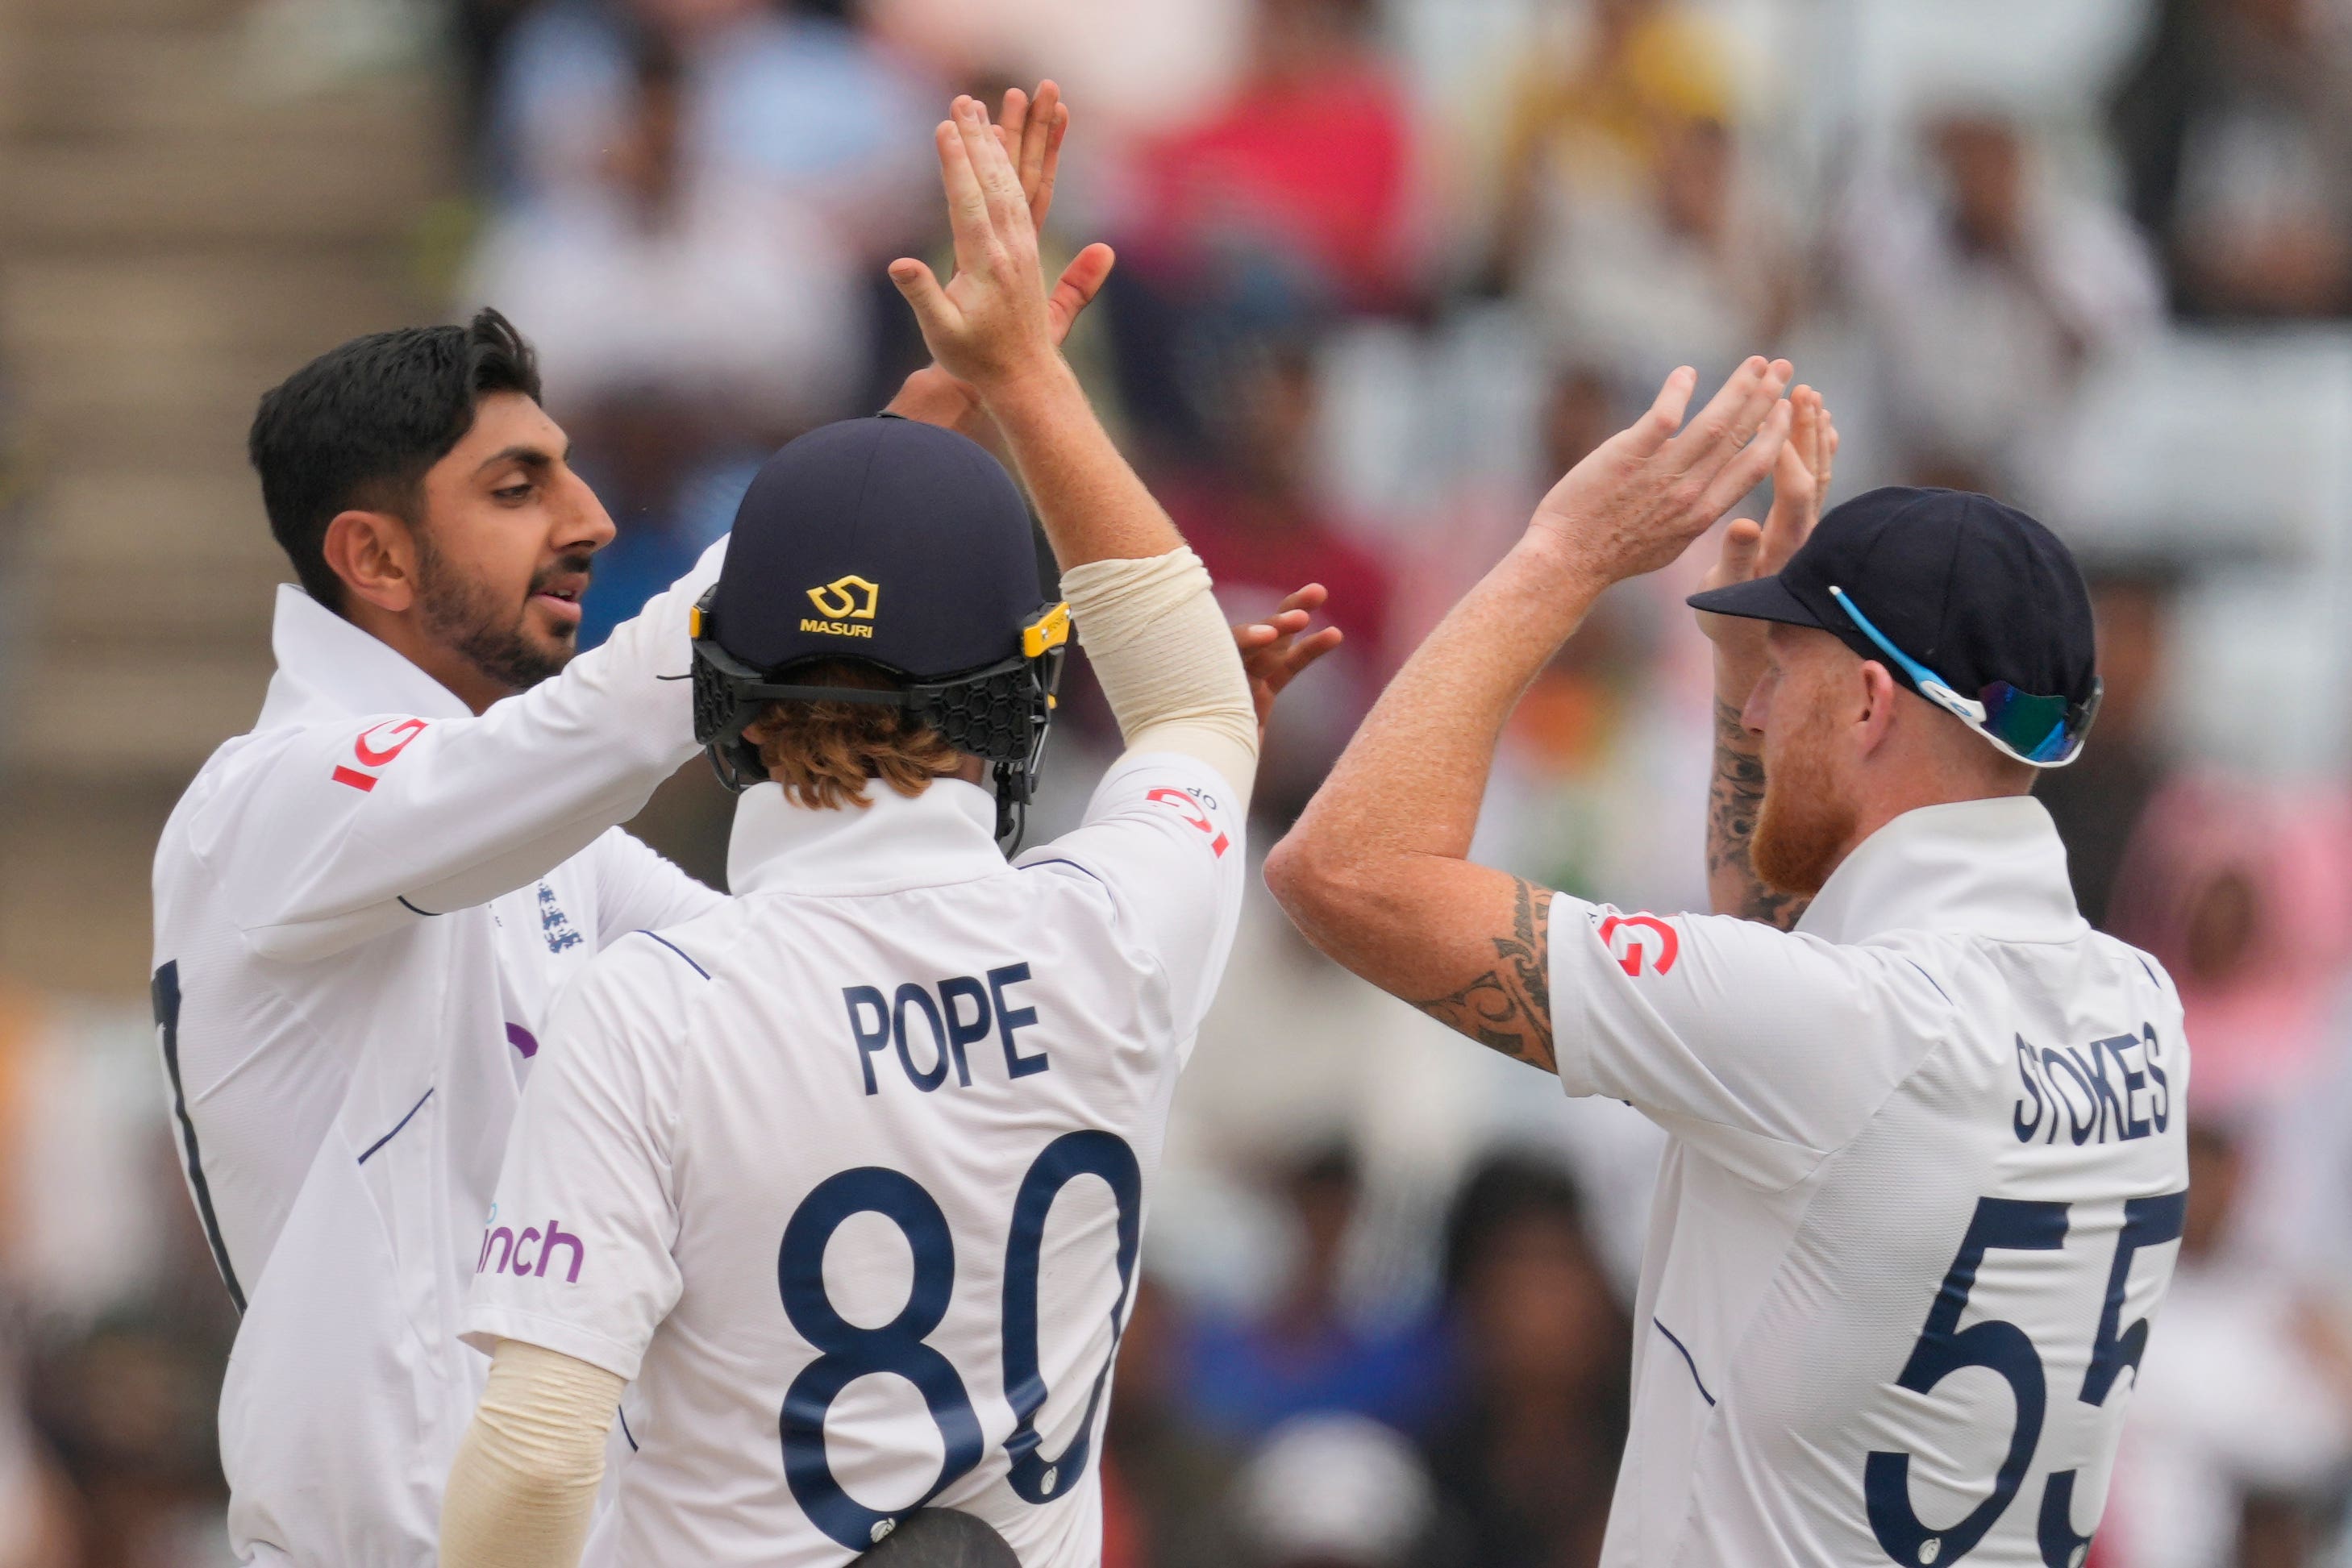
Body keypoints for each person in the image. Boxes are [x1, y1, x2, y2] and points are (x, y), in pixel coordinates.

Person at [152, 86, 1311, 1568]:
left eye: (568, 468)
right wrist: (938, 478)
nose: (584, 518)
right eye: (517, 487)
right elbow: (617, 724)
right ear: (370, 555)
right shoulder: (276, 799)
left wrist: (914, 597)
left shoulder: (548, 850)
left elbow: (835, 966)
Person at [1266, 368, 2193, 1565]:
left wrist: (1561, 555)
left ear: (1867, 702)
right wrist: (1734, 675)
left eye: (1780, 676)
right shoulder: (2138, 1010)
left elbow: (1341, 870)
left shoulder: (1843, 1027)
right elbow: (1788, 981)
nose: (1755, 711)